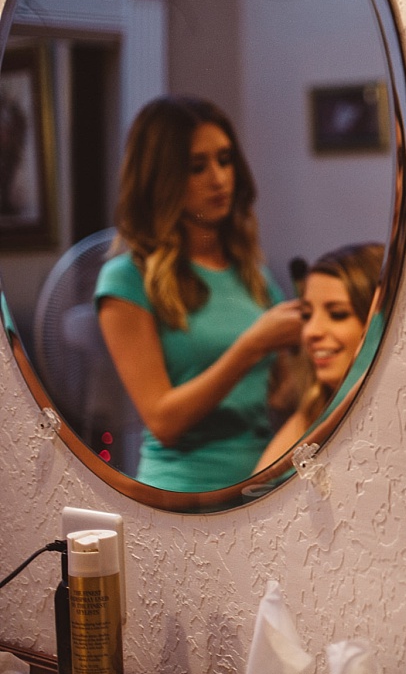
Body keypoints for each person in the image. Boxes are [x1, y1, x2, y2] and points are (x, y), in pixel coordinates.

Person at [95, 95, 303, 492]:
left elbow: (282, 395)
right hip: (183, 496)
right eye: (197, 167)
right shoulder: (126, 281)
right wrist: (251, 347)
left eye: (225, 160)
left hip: (263, 491)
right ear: (162, 179)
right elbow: (163, 421)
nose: (219, 179)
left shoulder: (253, 275)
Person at [255, 242, 384, 471]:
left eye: (337, 314)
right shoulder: (313, 408)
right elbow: (262, 481)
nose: (310, 332)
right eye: (307, 315)